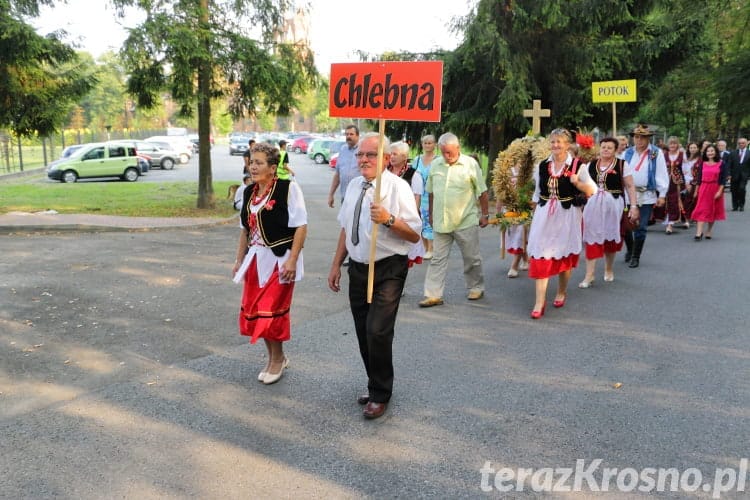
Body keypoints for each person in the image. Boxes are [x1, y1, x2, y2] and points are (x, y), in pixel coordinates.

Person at [327, 132, 421, 420]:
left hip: (388, 268)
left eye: (371, 154)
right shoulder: (355, 185)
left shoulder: (396, 188)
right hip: (357, 268)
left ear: (385, 158)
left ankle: (381, 393)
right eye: (361, 155)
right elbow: (346, 227)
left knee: (378, 330)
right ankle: (374, 381)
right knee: (363, 330)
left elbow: (414, 233)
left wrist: (389, 220)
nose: (364, 159)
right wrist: (335, 265)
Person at [232, 143, 307, 385]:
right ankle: (275, 357)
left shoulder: (288, 189)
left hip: (281, 259)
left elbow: (301, 226)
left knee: (272, 311)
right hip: (255, 260)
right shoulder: (247, 193)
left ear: (273, 168)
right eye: (251, 162)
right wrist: (238, 259)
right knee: (257, 311)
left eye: (259, 163)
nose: (253, 167)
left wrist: (293, 260)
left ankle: (278, 359)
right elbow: (245, 230)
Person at [526, 128, 596, 319]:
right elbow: (537, 192)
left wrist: (577, 183)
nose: (556, 145)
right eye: (553, 141)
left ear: (567, 145)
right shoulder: (542, 165)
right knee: (541, 255)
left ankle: (561, 291)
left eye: (560, 142)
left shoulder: (577, 166)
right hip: (545, 215)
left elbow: (592, 190)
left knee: (563, 256)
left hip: (567, 216)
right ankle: (539, 302)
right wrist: (532, 214)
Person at [419, 132, 489, 307]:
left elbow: (482, 191)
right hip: (441, 222)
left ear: (458, 148)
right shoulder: (435, 165)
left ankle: (476, 287)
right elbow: (431, 191)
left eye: (449, 152)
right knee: (437, 259)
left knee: (471, 258)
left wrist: (485, 215)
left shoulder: (470, 164)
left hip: (465, 221)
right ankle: (433, 294)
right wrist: (430, 216)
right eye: (443, 152)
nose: (446, 156)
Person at [578, 137, 637, 288]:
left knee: (610, 238)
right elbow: (582, 184)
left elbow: (630, 186)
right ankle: (589, 275)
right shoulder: (591, 164)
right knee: (591, 237)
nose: (605, 150)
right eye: (603, 147)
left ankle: (608, 268)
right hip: (593, 205)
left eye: (609, 147)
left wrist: (633, 206)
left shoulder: (623, 165)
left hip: (613, 205)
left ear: (616, 149)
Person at [622, 124, 668, 268]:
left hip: (647, 194)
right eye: (636, 137)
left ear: (648, 139)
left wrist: (662, 194)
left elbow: (661, 173)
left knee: (641, 227)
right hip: (628, 194)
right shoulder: (627, 153)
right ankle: (630, 249)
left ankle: (636, 256)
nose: (639, 140)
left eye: (643, 137)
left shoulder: (655, 153)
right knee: (627, 225)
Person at [389, 140, 425, 266]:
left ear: (404, 157)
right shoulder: (384, 171)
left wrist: (410, 220)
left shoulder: (414, 175)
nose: (391, 156)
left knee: (401, 257)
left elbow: (417, 199)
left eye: (395, 154)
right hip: (385, 217)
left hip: (404, 219)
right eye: (390, 153)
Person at [692, 144, 728, 240]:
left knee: (713, 210)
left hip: (715, 188)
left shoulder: (722, 163)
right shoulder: (702, 163)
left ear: (716, 152)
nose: (710, 153)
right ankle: (699, 233)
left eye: (712, 151)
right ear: (705, 153)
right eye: (708, 151)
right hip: (704, 188)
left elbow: (723, 180)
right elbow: (699, 179)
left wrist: (719, 191)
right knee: (702, 210)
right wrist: (696, 191)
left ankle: (708, 230)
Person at [412, 134, 437, 259]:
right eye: (425, 143)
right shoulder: (416, 160)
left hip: (432, 197)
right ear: (422, 144)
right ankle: (424, 247)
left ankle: (431, 248)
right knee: (420, 221)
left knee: (429, 221)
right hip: (418, 196)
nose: (427, 145)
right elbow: (410, 176)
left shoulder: (438, 160)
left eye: (430, 143)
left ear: (435, 144)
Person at [327, 125, 360, 207]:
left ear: (358, 136)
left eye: (351, 134)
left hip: (360, 197)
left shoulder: (363, 150)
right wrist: (331, 194)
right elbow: (338, 174)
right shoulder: (343, 150)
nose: (348, 136)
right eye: (347, 134)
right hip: (345, 197)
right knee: (345, 219)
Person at [661, 136, 686, 234]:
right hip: (666, 182)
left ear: (677, 144)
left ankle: (670, 223)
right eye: (671, 143)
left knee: (676, 201)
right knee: (667, 201)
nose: (672, 145)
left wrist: (687, 182)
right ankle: (670, 222)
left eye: (674, 143)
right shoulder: (664, 155)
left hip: (678, 183)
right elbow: (661, 170)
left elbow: (686, 170)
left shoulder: (682, 155)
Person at [681, 142, 702, 224]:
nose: (693, 149)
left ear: (697, 149)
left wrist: (691, 182)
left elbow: (700, 173)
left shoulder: (700, 159)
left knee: (692, 200)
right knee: (684, 200)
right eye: (691, 148)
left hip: (695, 182)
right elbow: (684, 171)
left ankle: (692, 217)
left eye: (694, 148)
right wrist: (686, 182)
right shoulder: (686, 158)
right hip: (685, 181)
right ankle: (685, 217)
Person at [730, 137, 749, 211]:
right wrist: (729, 174)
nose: (741, 144)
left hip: (744, 176)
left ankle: (741, 205)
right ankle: (735, 206)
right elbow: (729, 164)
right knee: (734, 190)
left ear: (747, 143)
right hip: (734, 175)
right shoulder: (733, 153)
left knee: (741, 189)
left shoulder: (749, 153)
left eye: (743, 143)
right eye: (739, 143)